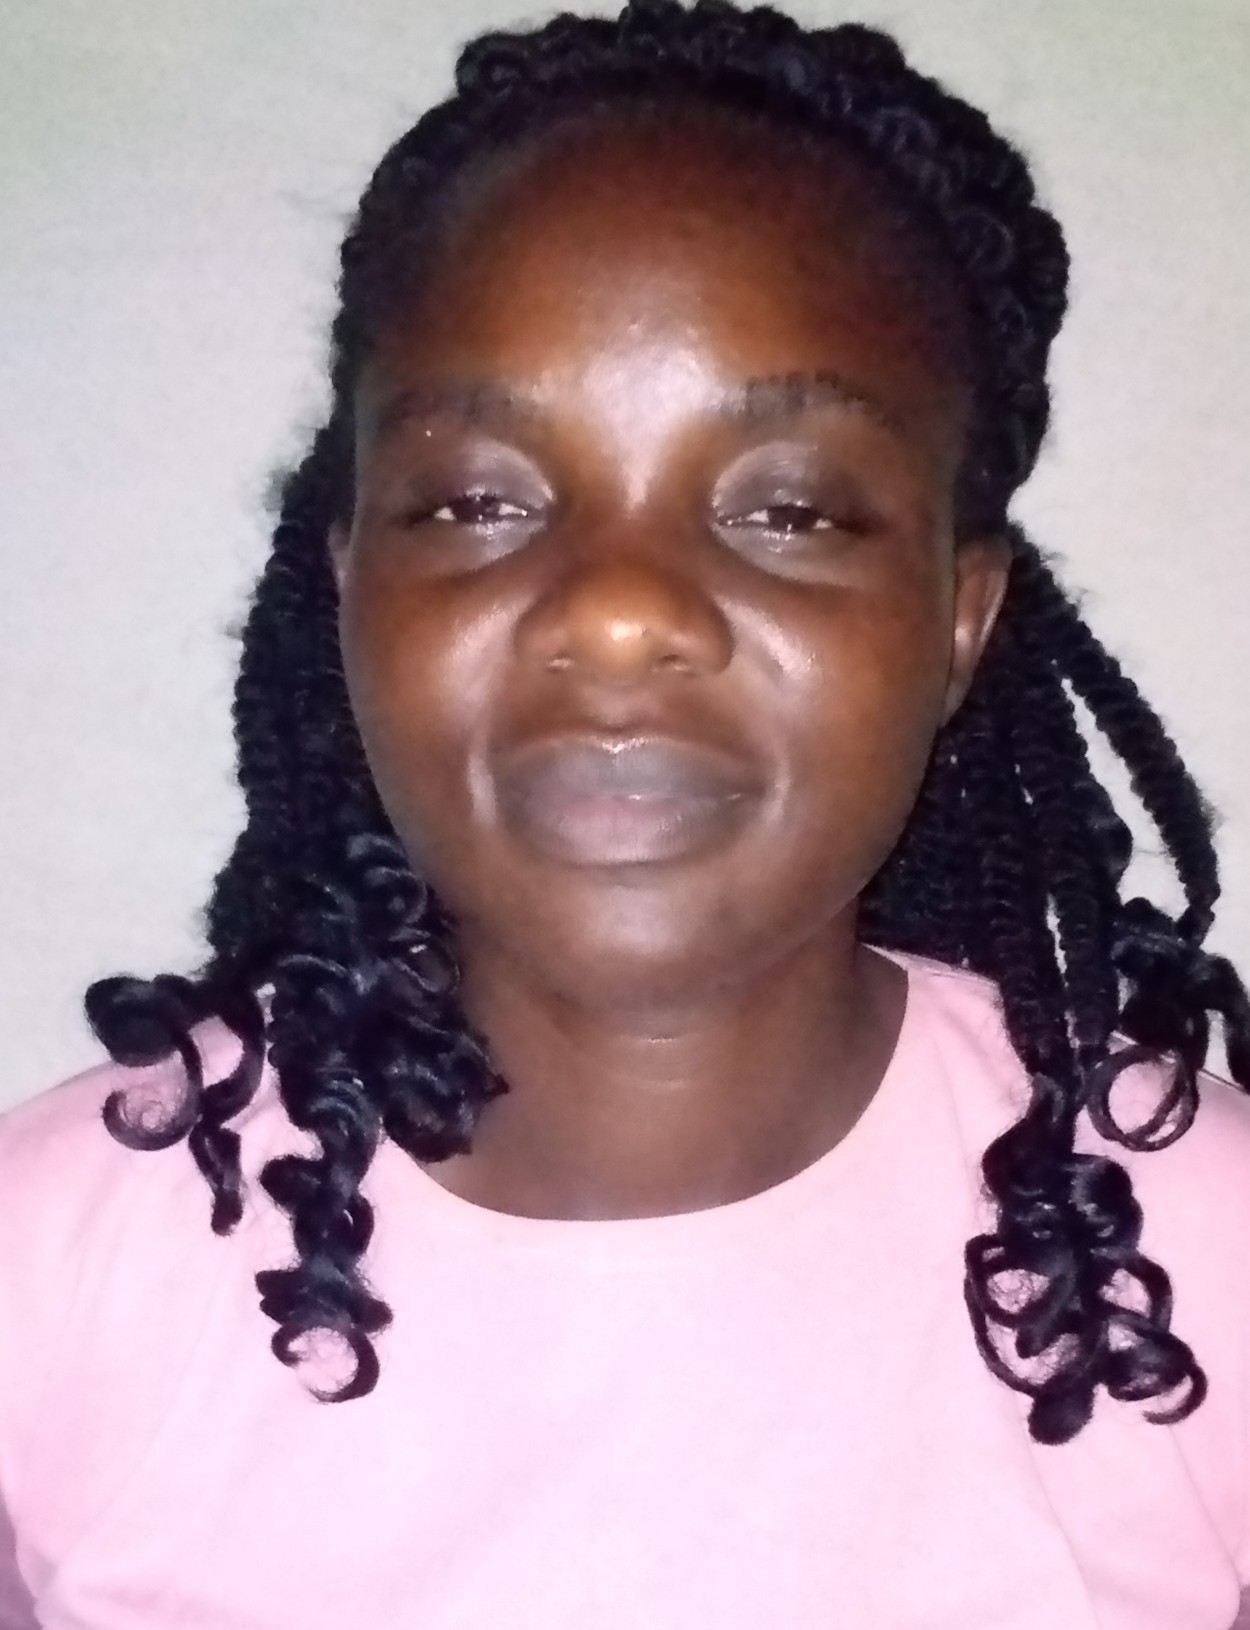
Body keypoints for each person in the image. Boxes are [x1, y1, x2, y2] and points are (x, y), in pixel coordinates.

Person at [2, 0, 1248, 1624]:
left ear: (956, 620)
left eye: (790, 507)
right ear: (348, 584)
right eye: (477, 498)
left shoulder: (1205, 1256)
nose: (615, 611)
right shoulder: (52, 1268)